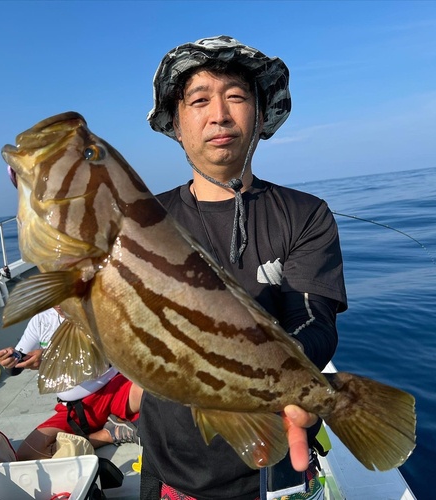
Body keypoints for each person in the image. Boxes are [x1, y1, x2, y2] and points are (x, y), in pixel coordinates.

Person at [140, 36, 348, 500]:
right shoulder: (144, 222)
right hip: (175, 469)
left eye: (236, 96)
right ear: (176, 122)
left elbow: (315, 319)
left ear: (260, 113)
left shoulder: (306, 215)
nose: (219, 114)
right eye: (199, 100)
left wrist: (277, 376)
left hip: (277, 467)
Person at [0, 306, 143, 461]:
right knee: (28, 454)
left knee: (163, 392)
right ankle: (109, 434)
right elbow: (16, 365)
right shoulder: (40, 321)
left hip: (116, 390)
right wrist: (11, 360)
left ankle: (117, 426)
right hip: (75, 409)